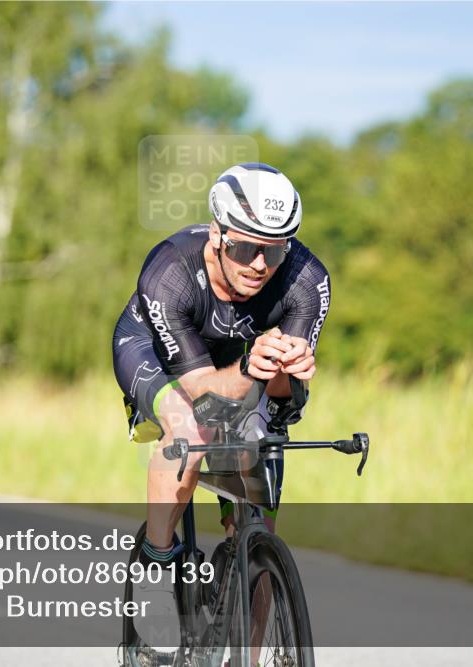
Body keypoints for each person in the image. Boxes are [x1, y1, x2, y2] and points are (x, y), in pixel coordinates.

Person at [112, 162, 330, 652]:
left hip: (240, 363)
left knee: (260, 501)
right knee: (190, 428)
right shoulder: (170, 271)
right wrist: (252, 367)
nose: (260, 264)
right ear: (217, 234)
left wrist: (286, 370)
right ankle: (156, 571)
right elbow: (205, 394)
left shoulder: (307, 280)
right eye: (246, 248)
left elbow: (281, 402)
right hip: (158, 355)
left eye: (275, 249)